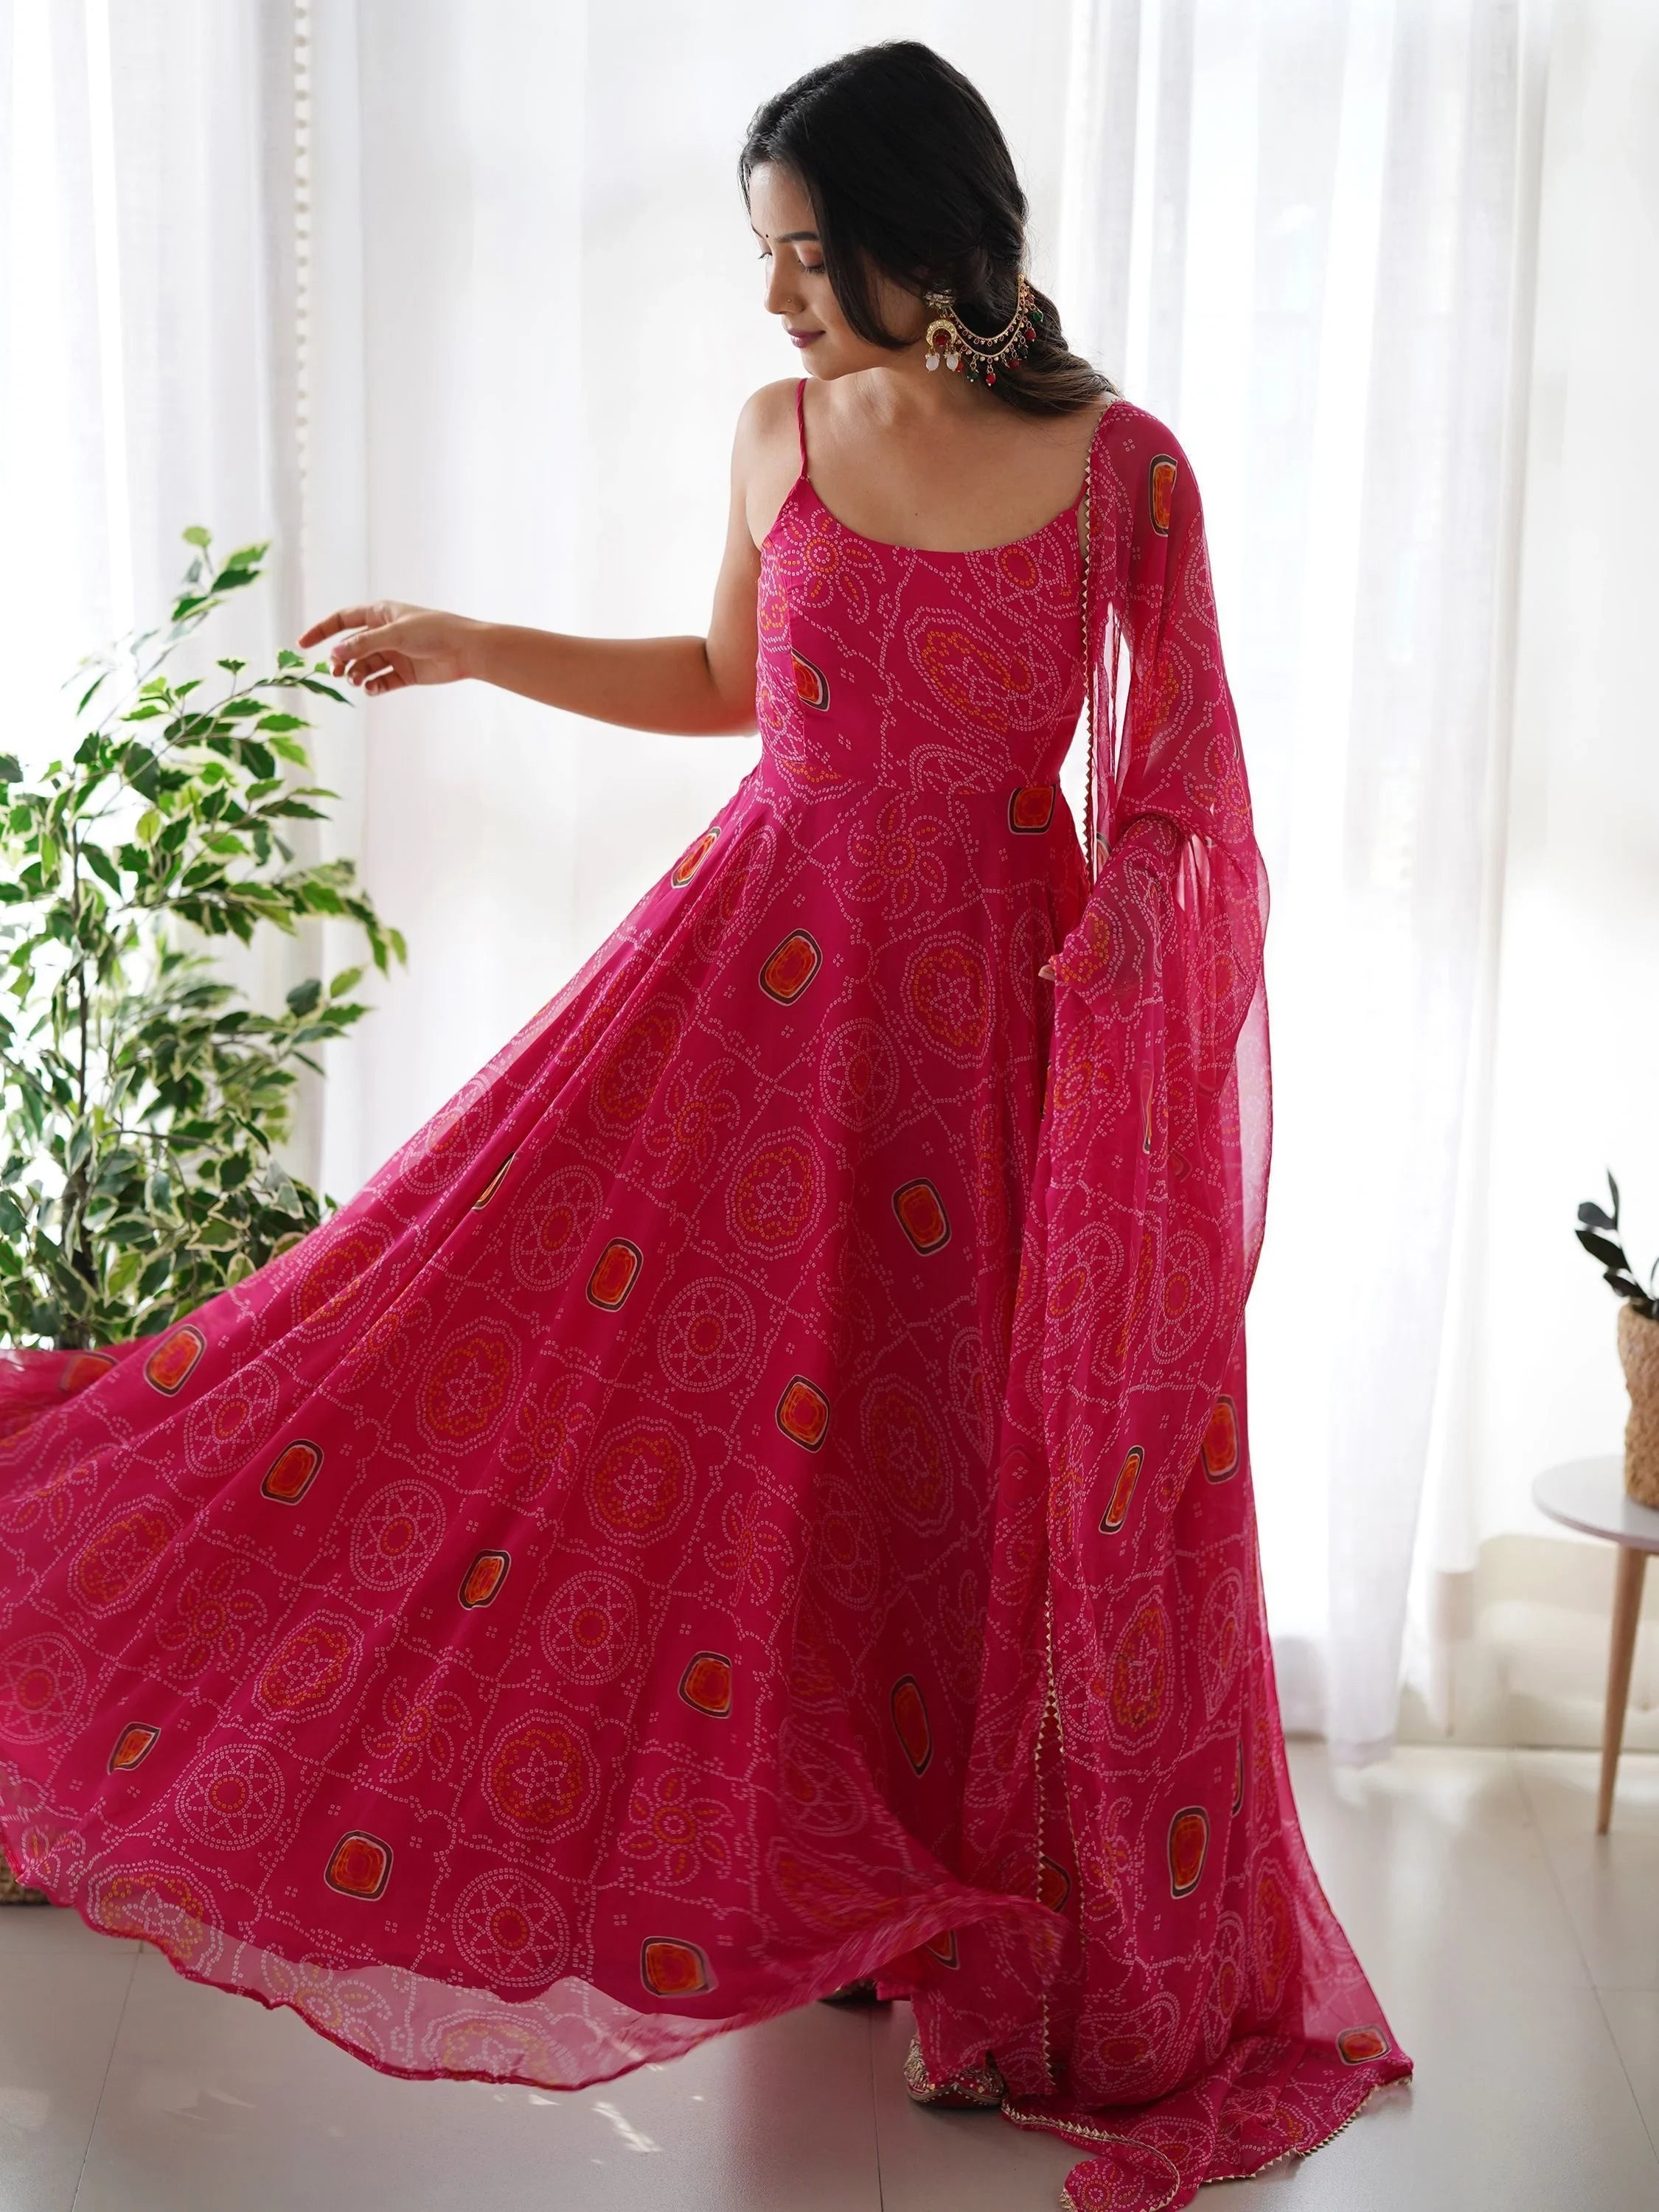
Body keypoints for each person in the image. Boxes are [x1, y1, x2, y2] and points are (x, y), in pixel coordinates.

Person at [0, 41, 1410, 2212]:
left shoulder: (1127, 475)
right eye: (763, 258)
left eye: (803, 255)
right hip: (756, 994)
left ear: (925, 242)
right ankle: (814, 1875)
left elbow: (1184, 787)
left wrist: (1120, 950)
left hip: (997, 1022)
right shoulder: (775, 434)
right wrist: (476, 642)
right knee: (632, 1389)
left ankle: (961, 1925)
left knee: (959, 1462)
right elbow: (729, 686)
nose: (772, 301)